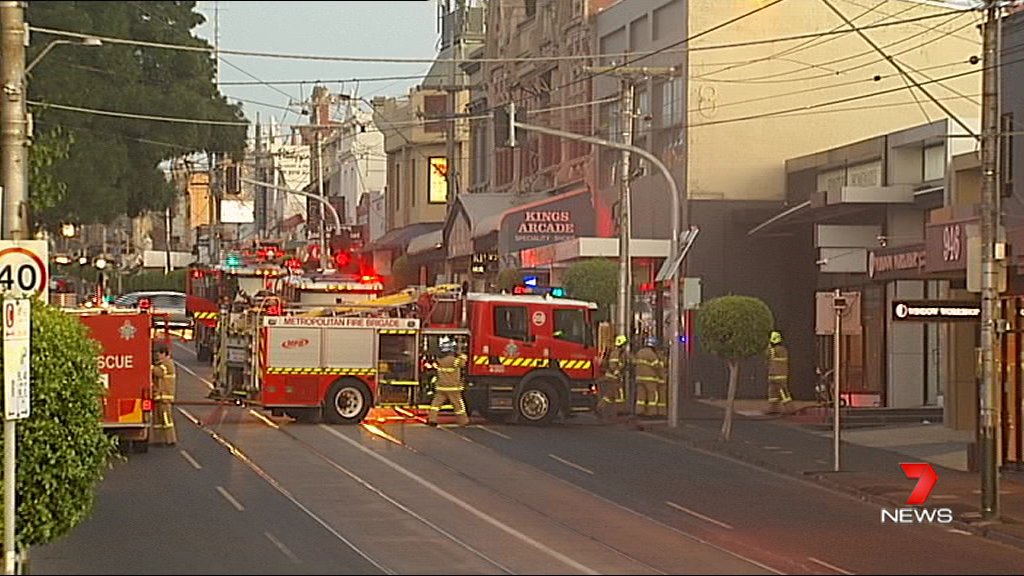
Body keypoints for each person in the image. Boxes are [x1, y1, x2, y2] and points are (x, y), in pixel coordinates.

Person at [427, 338, 469, 427]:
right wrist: (462, 355)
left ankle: (432, 419)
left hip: (441, 387)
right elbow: (463, 363)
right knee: (458, 405)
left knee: (435, 404)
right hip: (453, 387)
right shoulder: (454, 360)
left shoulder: (440, 360)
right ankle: (463, 421)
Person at [150, 342, 178, 446]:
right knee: (157, 421)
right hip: (158, 396)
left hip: (165, 397)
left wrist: (149, 367)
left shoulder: (168, 364)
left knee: (166, 420)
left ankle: (170, 439)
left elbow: (158, 372)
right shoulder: (161, 364)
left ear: (165, 354)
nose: (157, 356)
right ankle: (159, 440)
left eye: (159, 353)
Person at [595, 335, 628, 419]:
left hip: (614, 377)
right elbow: (613, 365)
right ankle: (619, 411)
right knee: (617, 394)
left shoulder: (620, 353)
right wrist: (617, 373)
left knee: (611, 395)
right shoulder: (616, 353)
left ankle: (601, 408)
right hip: (613, 377)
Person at [634, 336, 666, 417]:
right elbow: (657, 366)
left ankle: (639, 411)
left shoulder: (639, 352)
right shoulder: (651, 354)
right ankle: (652, 412)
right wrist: (663, 376)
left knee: (640, 396)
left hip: (639, 378)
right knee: (652, 396)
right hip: (650, 379)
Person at [767, 330, 792, 414]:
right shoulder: (781, 350)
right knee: (773, 394)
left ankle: (790, 409)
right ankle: (773, 409)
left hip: (779, 376)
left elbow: (769, 353)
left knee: (783, 393)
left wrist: (769, 346)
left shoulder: (778, 350)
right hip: (773, 375)